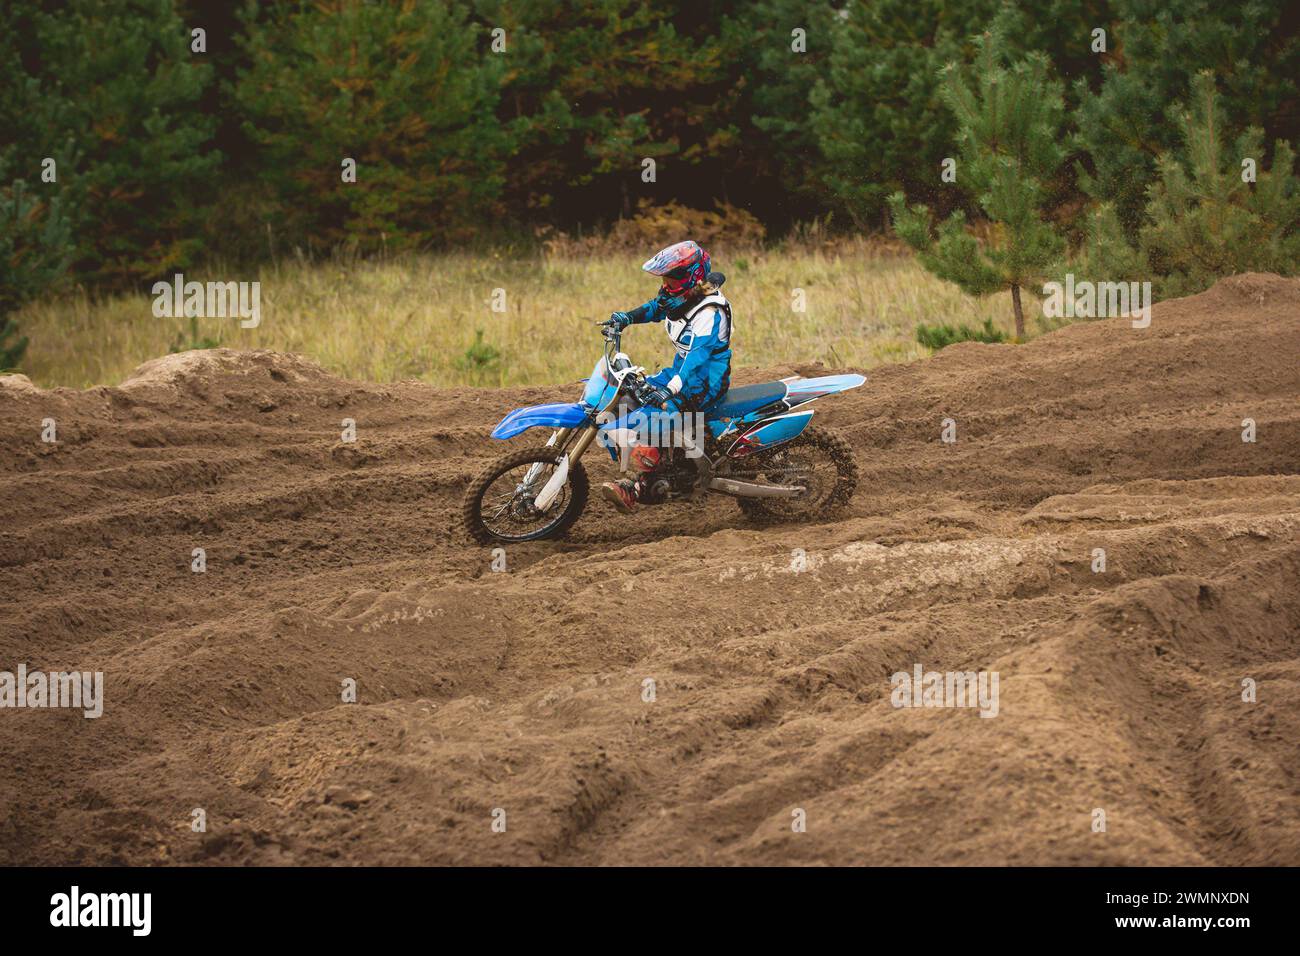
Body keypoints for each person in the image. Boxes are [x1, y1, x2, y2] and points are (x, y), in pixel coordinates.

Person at [600, 240, 732, 514]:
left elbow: (698, 356)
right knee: (631, 396)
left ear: (692, 276)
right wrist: (626, 318)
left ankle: (638, 486)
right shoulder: (682, 297)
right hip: (681, 372)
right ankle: (672, 457)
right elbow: (656, 308)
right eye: (665, 279)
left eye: (672, 279)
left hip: (704, 379)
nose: (666, 285)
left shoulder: (709, 311)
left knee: (659, 415)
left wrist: (670, 390)